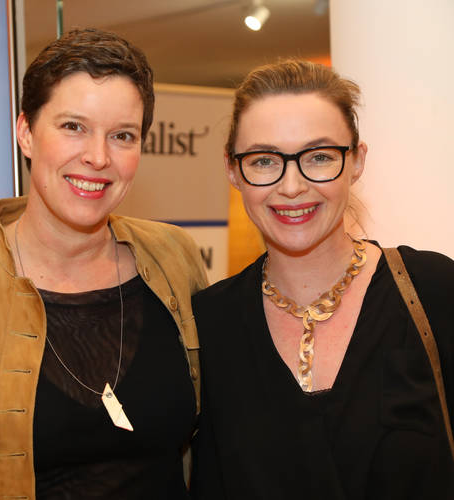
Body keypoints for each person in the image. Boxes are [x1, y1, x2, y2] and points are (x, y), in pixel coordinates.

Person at [0, 28, 209, 499]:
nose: (98, 157)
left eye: (122, 135)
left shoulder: (173, 257)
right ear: (26, 133)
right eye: (73, 127)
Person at [191, 59, 454, 499]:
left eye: (319, 157)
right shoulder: (208, 323)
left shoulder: (434, 290)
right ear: (233, 170)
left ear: (357, 161)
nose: (292, 186)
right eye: (264, 160)